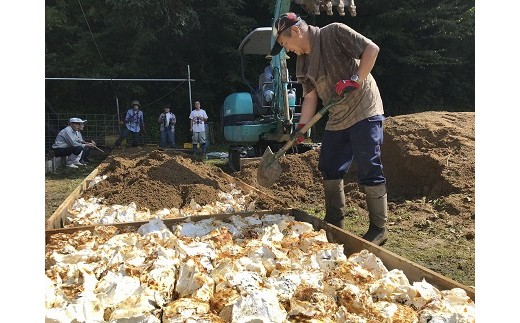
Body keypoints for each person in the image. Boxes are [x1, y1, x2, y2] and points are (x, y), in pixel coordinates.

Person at [270, 12, 388, 245]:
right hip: (337, 115)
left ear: (295, 31)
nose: (288, 50)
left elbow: (371, 49)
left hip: (364, 109)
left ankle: (379, 229)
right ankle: (335, 221)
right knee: (329, 165)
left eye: (285, 44)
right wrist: (302, 127)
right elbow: (311, 97)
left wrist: (355, 79)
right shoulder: (302, 63)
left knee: (368, 164)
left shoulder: (334, 32)